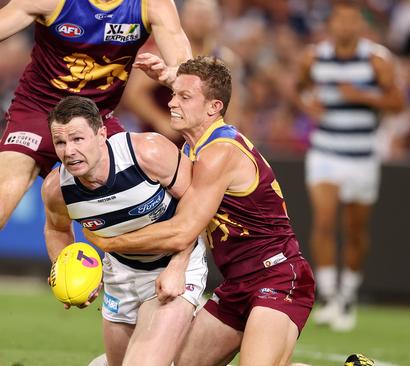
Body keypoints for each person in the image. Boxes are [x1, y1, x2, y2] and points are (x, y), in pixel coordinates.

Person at [0, 0, 192, 363]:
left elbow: (183, 59)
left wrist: (172, 73)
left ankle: (173, 306)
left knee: (147, 207)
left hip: (93, 124)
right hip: (37, 115)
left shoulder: (151, 5)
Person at [85, 56, 315, 366]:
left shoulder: (220, 152)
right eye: (173, 93)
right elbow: (189, 224)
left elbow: (183, 229)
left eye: (183, 97)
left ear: (214, 107)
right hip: (236, 284)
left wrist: (109, 242)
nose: (171, 103)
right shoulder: (191, 149)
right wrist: (177, 266)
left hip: (277, 276)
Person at [43, 95, 207, 366]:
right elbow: (56, 229)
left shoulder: (147, 153)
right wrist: (68, 273)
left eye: (77, 139)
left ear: (101, 135)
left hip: (175, 264)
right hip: (120, 274)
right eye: (60, 142)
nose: (68, 151)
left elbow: (196, 206)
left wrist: (178, 266)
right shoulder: (56, 190)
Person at [295, 0, 405, 331]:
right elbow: (299, 88)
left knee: (355, 229)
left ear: (361, 24)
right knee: (325, 221)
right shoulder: (314, 56)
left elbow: (398, 103)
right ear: (332, 24)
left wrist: (362, 96)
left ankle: (349, 293)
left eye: (353, 20)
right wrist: (308, 106)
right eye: (341, 20)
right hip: (325, 150)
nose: (347, 26)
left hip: (362, 153)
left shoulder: (377, 59)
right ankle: (330, 296)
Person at [122, 0, 244, 143]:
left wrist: (228, 137)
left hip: (205, 141)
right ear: (182, 17)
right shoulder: (162, 54)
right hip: (163, 140)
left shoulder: (226, 60)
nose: (201, 21)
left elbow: (233, 105)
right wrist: (160, 120)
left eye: (206, 15)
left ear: (218, 19)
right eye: (196, 15)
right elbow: (133, 94)